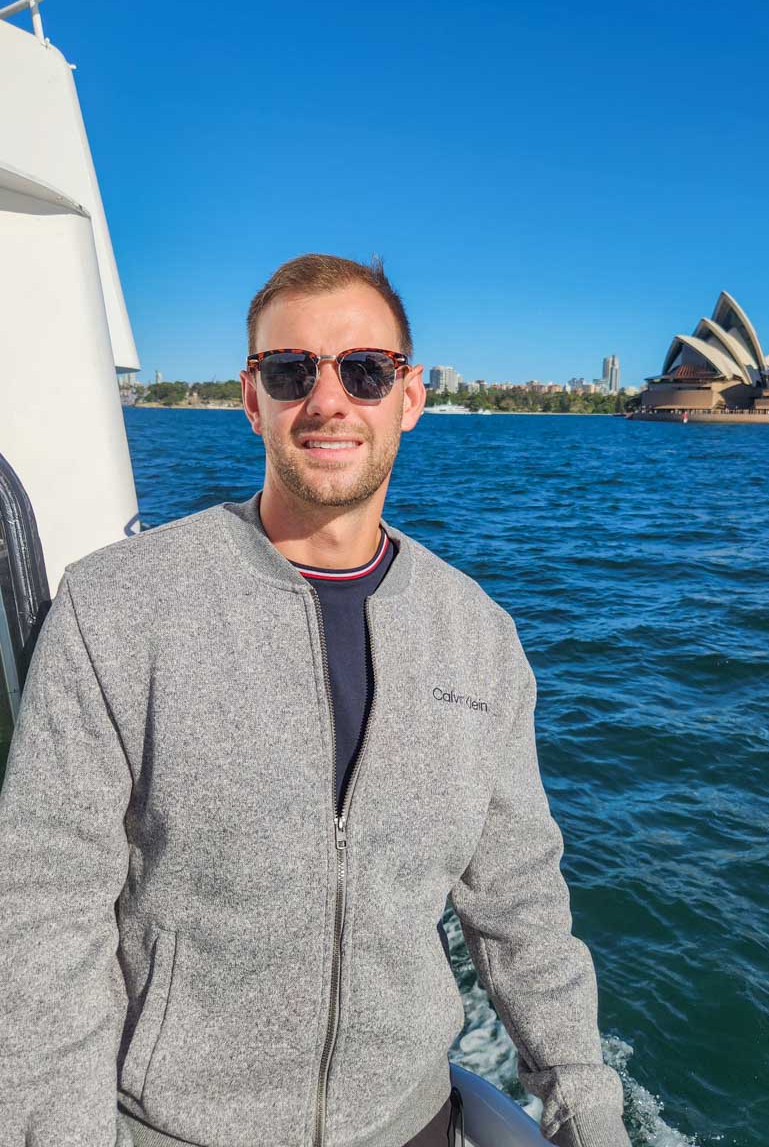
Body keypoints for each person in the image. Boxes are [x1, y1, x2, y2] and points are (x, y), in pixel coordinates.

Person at [0, 253, 630, 1147]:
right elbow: (41, 915)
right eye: (292, 371)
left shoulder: (478, 637)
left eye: (366, 371)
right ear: (252, 399)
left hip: (410, 1125)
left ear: (409, 399)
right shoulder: (116, 608)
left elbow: (520, 904)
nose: (329, 402)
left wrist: (588, 1113)